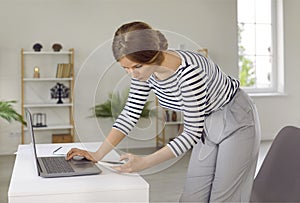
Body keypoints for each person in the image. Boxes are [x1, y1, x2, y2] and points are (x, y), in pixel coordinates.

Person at [67, 21, 261, 202]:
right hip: (207, 123)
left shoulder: (189, 74)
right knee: (192, 197)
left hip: (236, 118)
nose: (132, 73)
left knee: (224, 197)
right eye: (125, 68)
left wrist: (145, 162)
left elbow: (191, 132)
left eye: (137, 66)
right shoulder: (144, 73)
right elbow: (130, 113)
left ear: (152, 55)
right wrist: (98, 154)